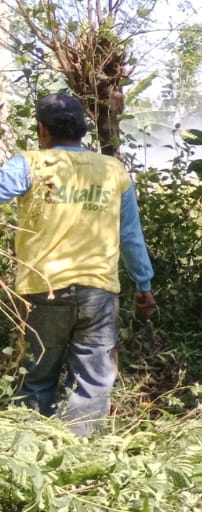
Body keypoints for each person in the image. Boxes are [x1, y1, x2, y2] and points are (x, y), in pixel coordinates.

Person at [1, 92, 155, 435]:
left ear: (42, 130)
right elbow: (130, 235)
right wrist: (143, 284)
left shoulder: (30, 164)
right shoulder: (113, 170)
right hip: (98, 294)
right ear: (83, 130)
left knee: (36, 375)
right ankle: (76, 453)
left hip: (42, 290)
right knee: (92, 381)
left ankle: (31, 451)